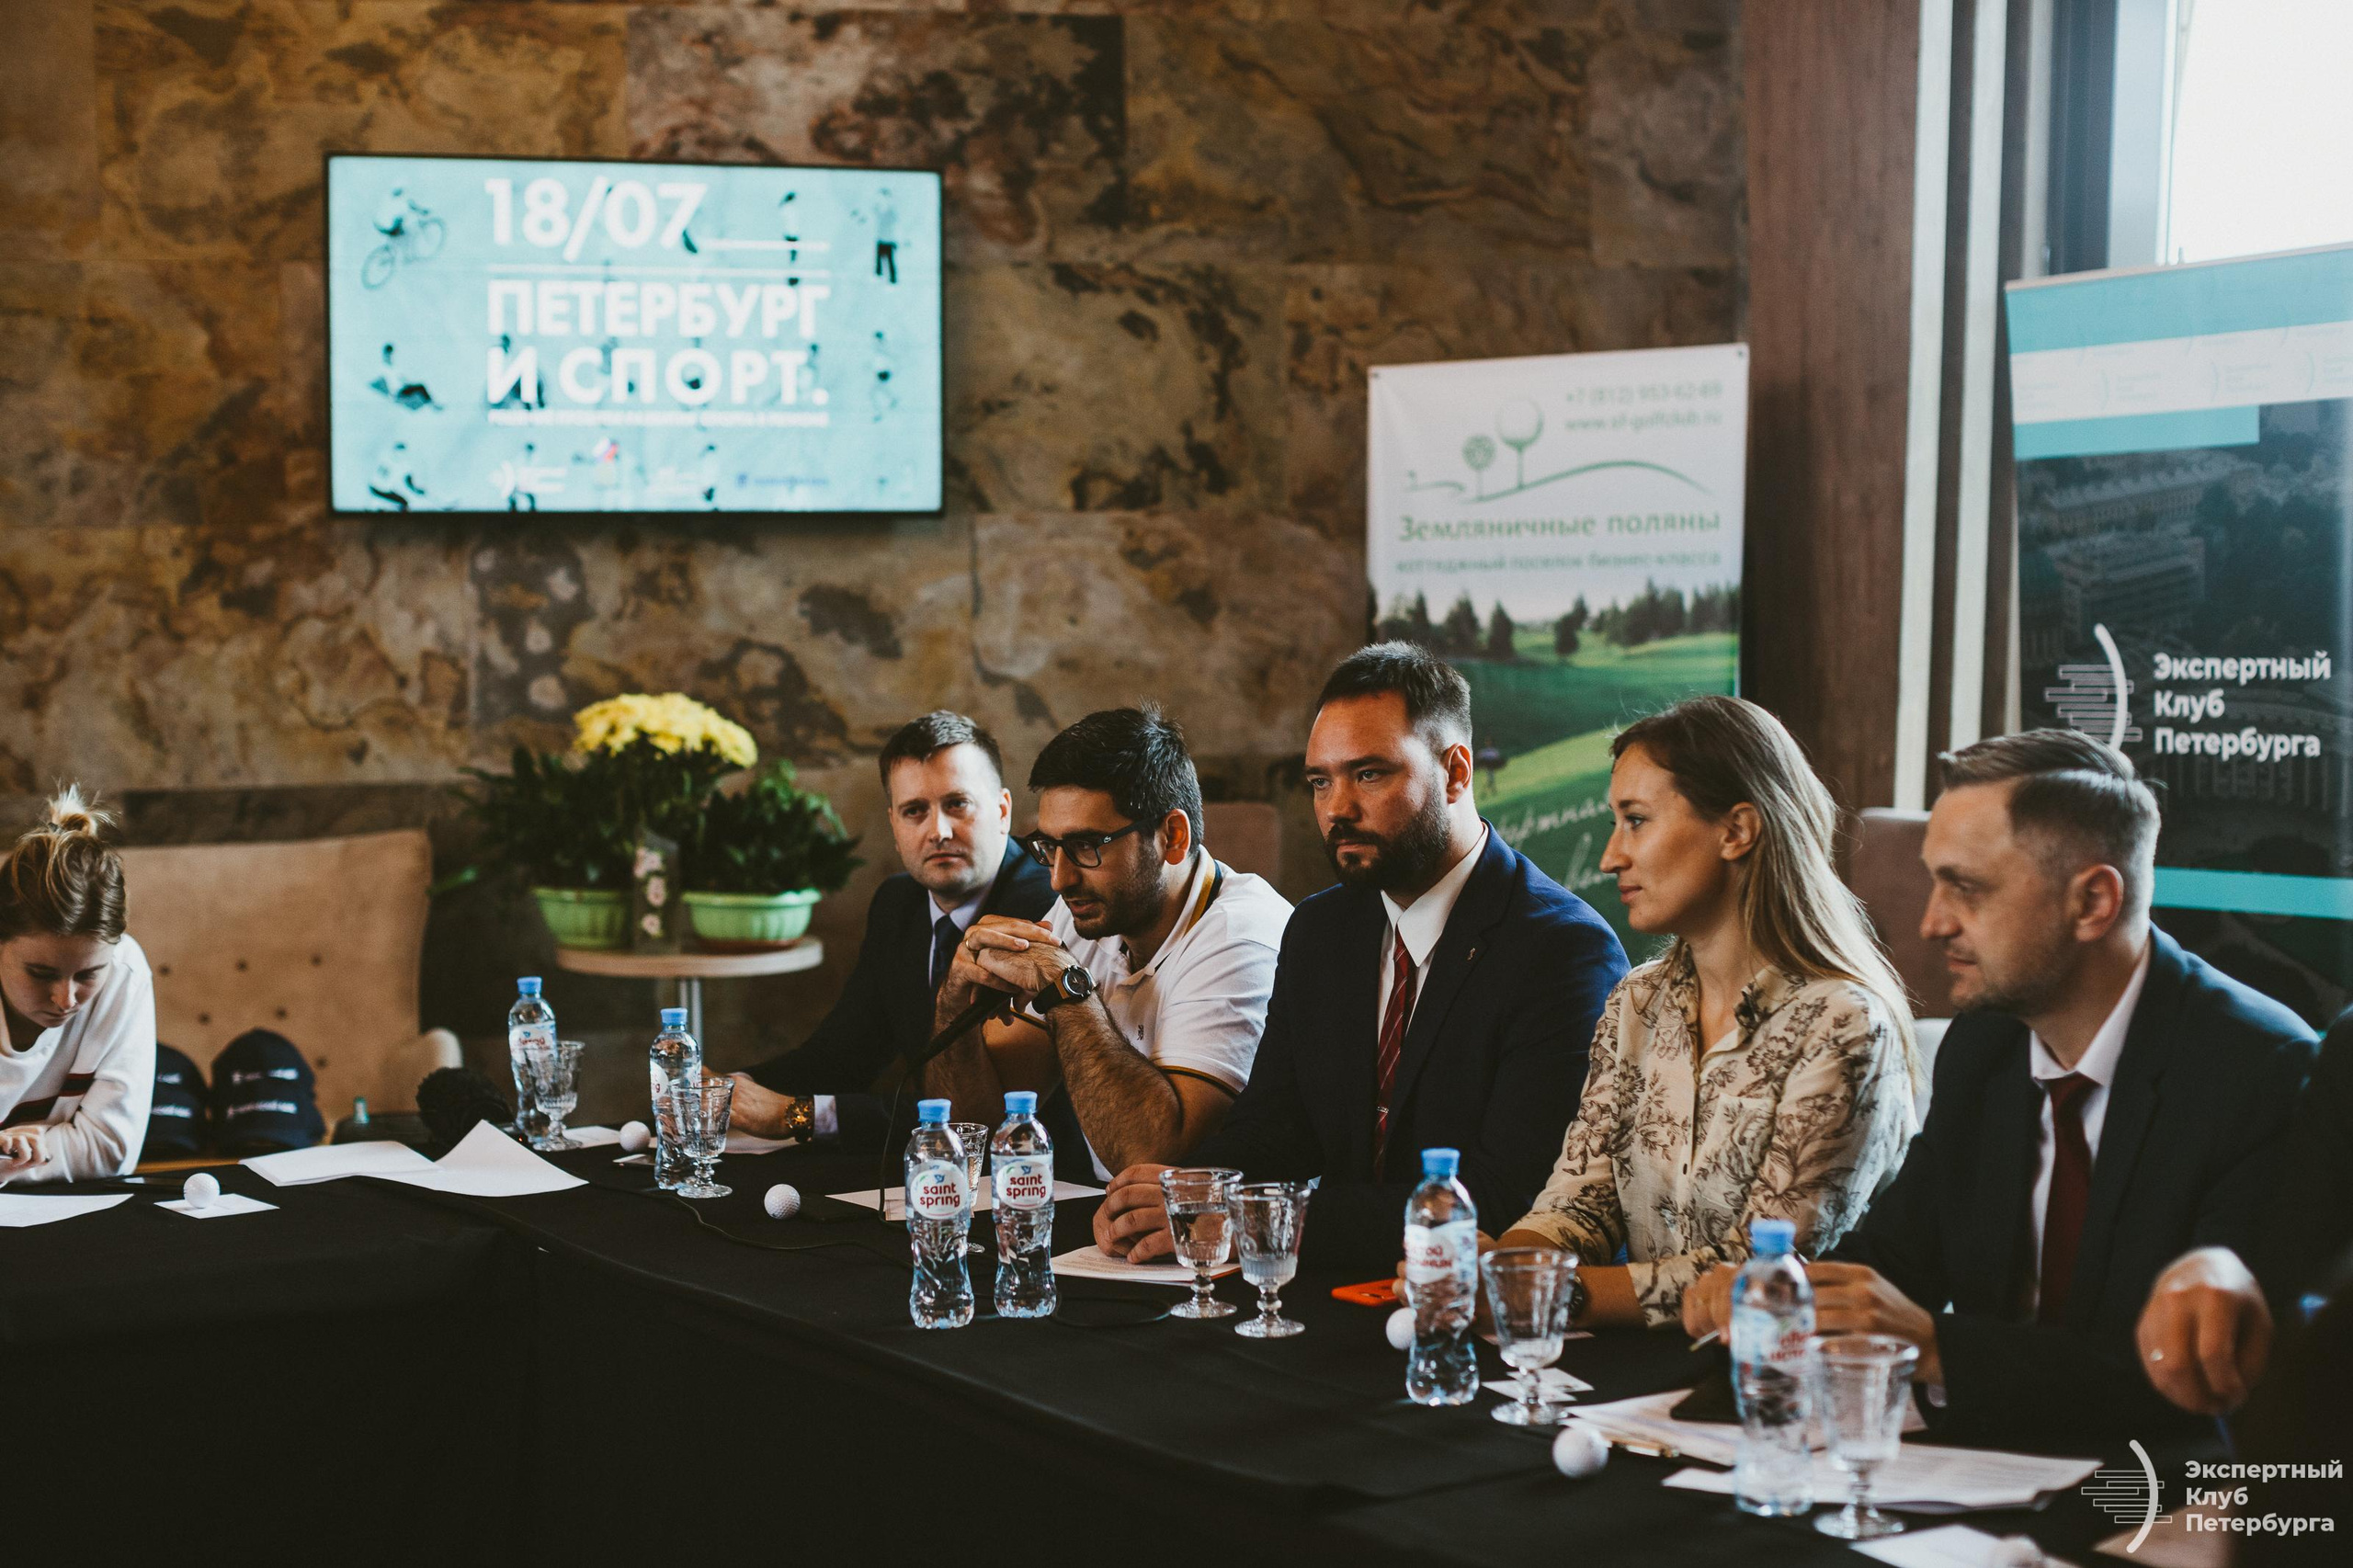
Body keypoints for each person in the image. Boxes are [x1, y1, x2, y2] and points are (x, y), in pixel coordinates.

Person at [1681, 731, 2315, 1445]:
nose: (1931, 922)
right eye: (1933, 881)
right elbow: (1898, 1257)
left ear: (2093, 902)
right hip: (1979, 1467)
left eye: (1967, 888)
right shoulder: (1987, 1045)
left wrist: (1938, 1347)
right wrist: (1782, 1297)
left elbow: (2207, 1384)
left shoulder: (2265, 1070)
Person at [1092, 643, 1629, 1268]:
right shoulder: (1321, 928)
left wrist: (1252, 1219)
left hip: (1484, 1319)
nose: (1336, 809)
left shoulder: (1561, 949)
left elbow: (1505, 1199)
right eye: (1320, 781)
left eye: (1369, 774)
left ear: (1456, 772)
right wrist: (1186, 1195)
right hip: (1339, 1298)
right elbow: (1274, 1131)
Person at [1489, 696, 1918, 1328]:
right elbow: (1580, 1201)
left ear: (1736, 830)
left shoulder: (1843, 1023)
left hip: (1791, 1387)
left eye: (1635, 820)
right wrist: (1496, 1274)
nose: (1610, 857)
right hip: (1641, 1378)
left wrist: (1546, 1294)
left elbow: (1763, 1273)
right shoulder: (1637, 1000)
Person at [924, 707, 1292, 1177]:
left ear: (1172, 837)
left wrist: (1066, 987)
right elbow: (975, 1127)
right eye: (1049, 847)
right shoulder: (1089, 910)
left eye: (1086, 846)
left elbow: (1156, 1163)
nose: (1058, 879)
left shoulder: (1240, 937)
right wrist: (953, 1000)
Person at [726, 712, 1052, 1147]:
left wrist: (797, 1115)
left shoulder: (1042, 906)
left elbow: (968, 1116)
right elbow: (843, 1055)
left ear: (1002, 810)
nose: (938, 830)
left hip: (1039, 1175)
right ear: (895, 828)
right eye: (914, 811)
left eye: (957, 804)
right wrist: (727, 1090)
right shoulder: (898, 905)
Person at [0, 789, 156, 1183]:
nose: (66, 1000)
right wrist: (52, 1146)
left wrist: (29, 1154)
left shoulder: (125, 971)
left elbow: (110, 1151)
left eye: (88, 975)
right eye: (41, 973)